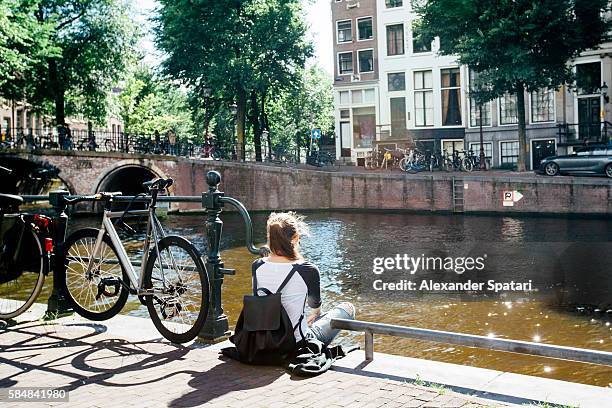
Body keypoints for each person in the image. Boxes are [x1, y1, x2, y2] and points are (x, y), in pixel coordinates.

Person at [252, 212, 356, 347]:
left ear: (270, 237)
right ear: (295, 238)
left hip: (262, 342)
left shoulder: (257, 265)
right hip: (294, 344)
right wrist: (315, 314)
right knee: (347, 308)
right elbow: (315, 307)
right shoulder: (307, 269)